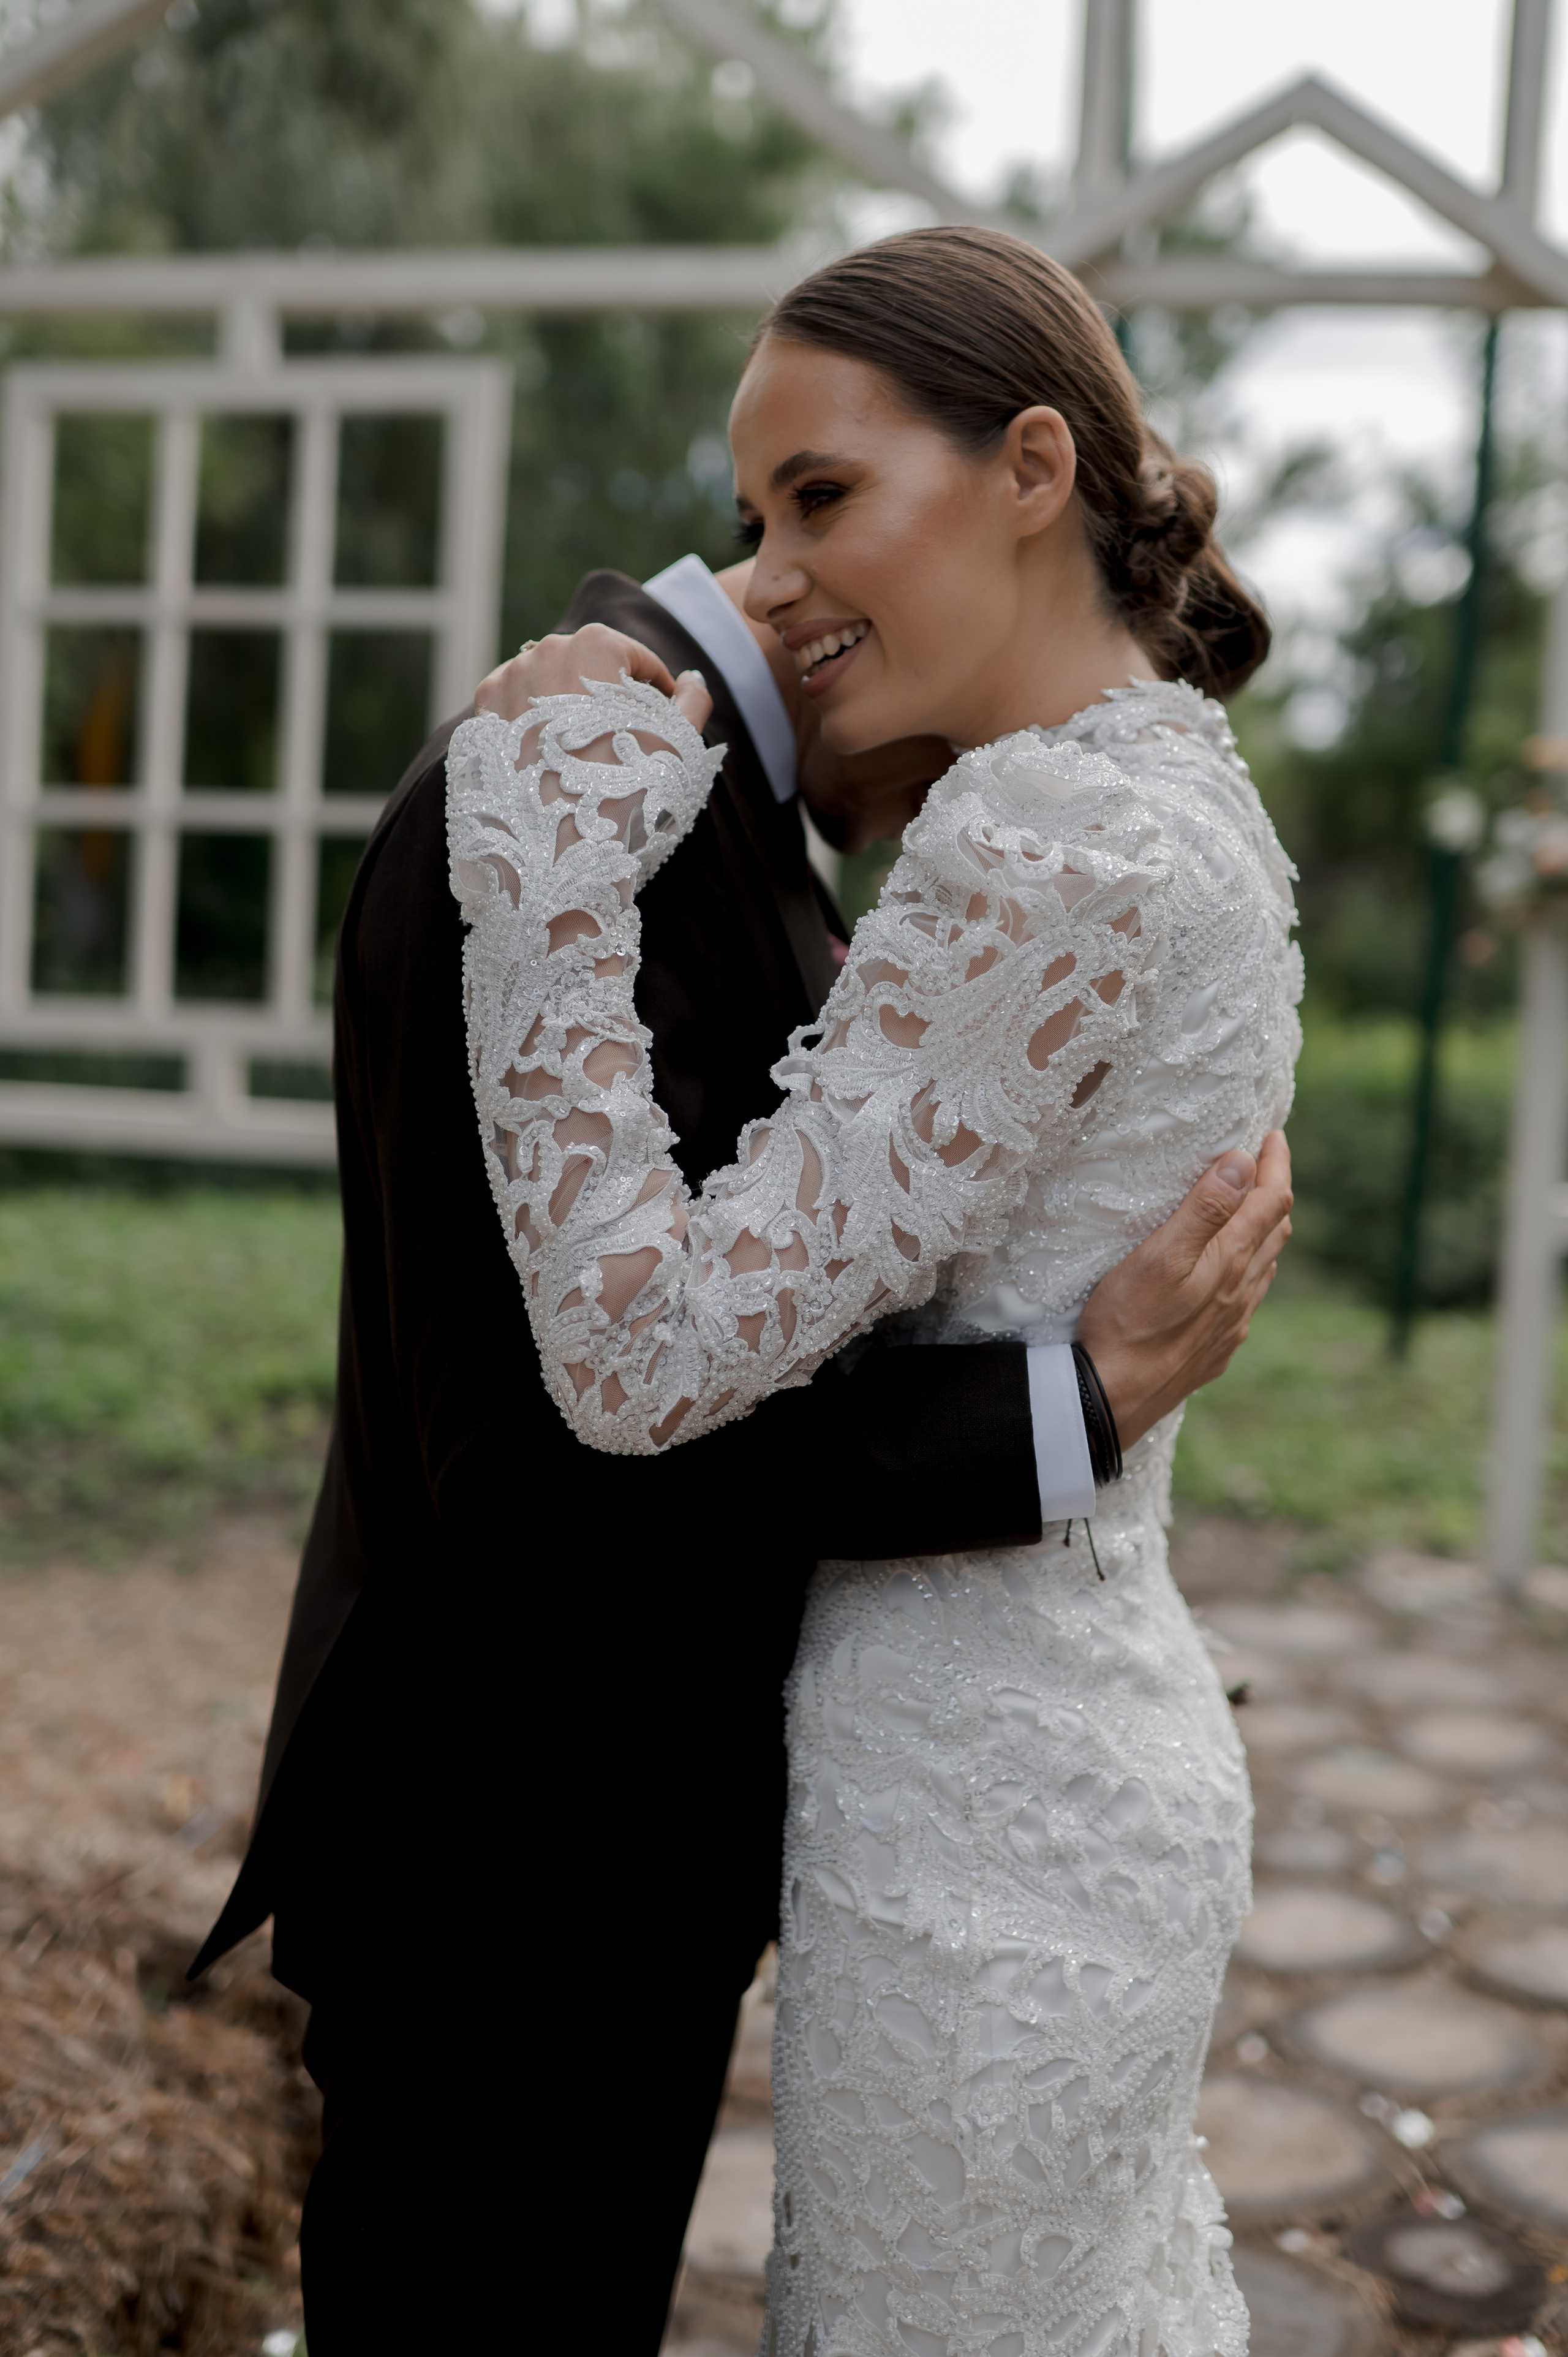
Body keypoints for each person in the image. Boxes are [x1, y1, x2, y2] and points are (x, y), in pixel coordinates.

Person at [189, 233, 1292, 2349]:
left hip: (911, 1827)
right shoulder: (551, 800)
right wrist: (1060, 1408)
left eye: (826, 499)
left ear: (1035, 468)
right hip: (516, 1865)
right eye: (766, 515)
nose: (782, 578)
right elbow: (549, 1446)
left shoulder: (1008, 834)